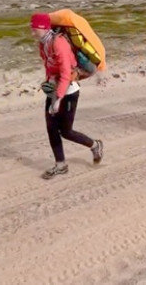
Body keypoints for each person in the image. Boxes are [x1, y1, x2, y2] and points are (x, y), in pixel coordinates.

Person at [31, 14, 103, 179]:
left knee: (66, 131)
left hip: (69, 92)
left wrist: (59, 99)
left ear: (43, 28)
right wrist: (48, 83)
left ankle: (95, 145)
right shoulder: (43, 44)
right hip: (55, 90)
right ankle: (60, 165)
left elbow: (65, 73)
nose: (32, 32)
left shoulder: (59, 43)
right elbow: (49, 66)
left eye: (34, 28)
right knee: (51, 128)